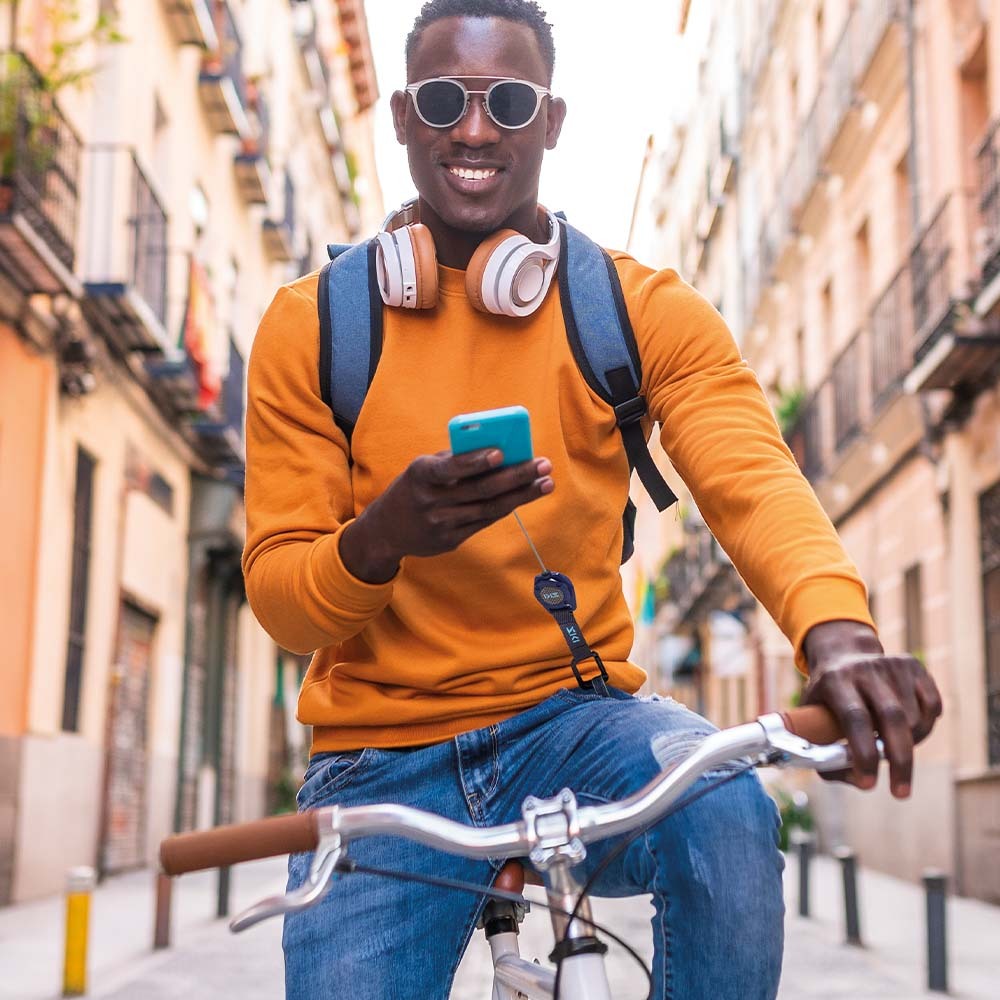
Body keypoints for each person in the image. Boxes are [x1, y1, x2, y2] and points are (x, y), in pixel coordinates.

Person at [242, 1, 943, 996]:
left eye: (508, 101)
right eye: (443, 100)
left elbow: (750, 477)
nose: (474, 128)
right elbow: (279, 596)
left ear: (552, 120)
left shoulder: (637, 309)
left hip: (578, 725)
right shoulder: (311, 327)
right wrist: (381, 539)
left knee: (726, 805)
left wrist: (837, 632)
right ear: (402, 116)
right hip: (378, 755)